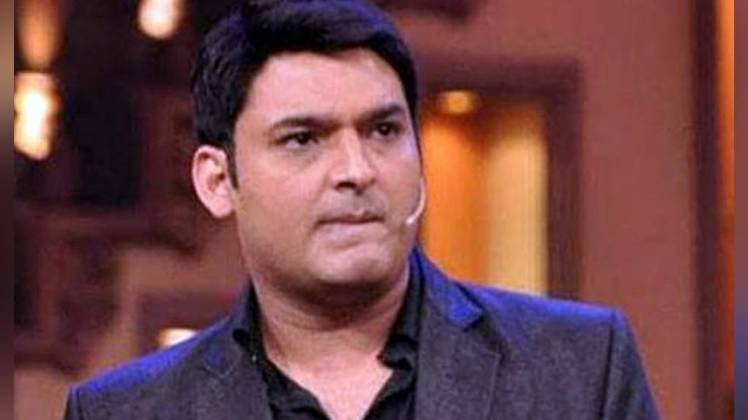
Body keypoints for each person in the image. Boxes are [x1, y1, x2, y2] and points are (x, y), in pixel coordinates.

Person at [63, 1, 659, 419]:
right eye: (303, 139)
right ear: (218, 181)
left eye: (383, 131)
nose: (357, 170)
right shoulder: (126, 412)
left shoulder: (581, 370)